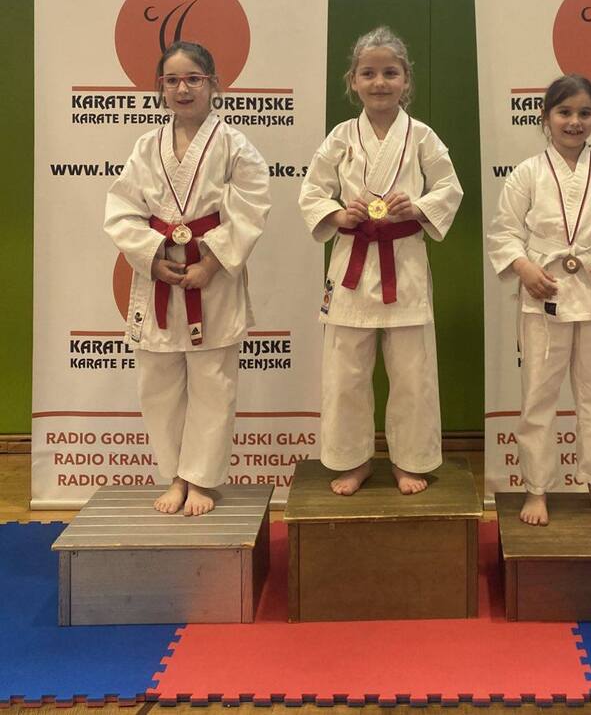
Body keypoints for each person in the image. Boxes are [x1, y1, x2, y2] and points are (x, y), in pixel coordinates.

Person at [104, 41, 270, 516]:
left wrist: (211, 264)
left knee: (213, 381)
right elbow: (122, 210)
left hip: (211, 275)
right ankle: (175, 475)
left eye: (194, 78)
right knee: (157, 384)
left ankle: (200, 479)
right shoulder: (146, 146)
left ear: (214, 84)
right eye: (172, 80)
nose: (183, 88)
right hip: (159, 274)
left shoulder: (235, 145)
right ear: (160, 87)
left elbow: (251, 209)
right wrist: (151, 257)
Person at [299, 26, 463, 496]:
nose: (379, 82)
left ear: (406, 79)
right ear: (353, 81)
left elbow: (449, 188)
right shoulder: (340, 137)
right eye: (368, 73)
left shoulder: (422, 136)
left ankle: (410, 460)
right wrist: (338, 214)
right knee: (345, 373)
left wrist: (419, 207)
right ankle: (352, 461)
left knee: (412, 372)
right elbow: (312, 191)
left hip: (404, 262)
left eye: (390, 73)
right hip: (352, 263)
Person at [487, 73, 591, 526]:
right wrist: (524, 267)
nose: (574, 121)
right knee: (538, 396)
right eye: (564, 112)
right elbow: (504, 232)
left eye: (584, 113)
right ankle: (537, 489)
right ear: (546, 117)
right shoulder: (527, 174)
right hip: (544, 293)